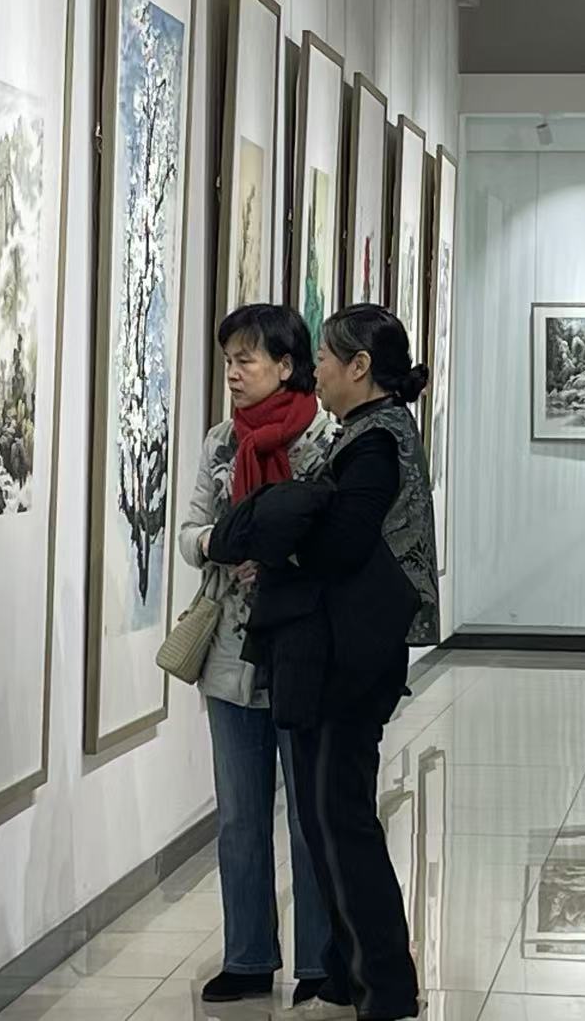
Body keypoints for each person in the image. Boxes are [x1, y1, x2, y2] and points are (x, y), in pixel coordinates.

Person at [210, 304, 430, 1019]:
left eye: (327, 359)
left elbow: (340, 543)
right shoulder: (366, 433)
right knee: (326, 814)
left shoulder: (375, 442)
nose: (319, 371)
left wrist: (281, 529)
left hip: (349, 657)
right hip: (337, 652)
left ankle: (383, 987)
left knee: (341, 821)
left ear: (359, 367)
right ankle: (342, 972)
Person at [177, 304, 337, 1005]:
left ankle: (320, 961)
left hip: (303, 649)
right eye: (228, 360)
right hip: (230, 655)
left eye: (246, 359)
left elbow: (338, 541)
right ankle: (246, 956)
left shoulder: (324, 439)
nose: (233, 373)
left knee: (309, 815)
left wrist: (280, 554)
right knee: (240, 815)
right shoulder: (221, 442)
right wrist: (223, 542)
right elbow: (189, 532)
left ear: (286, 364)